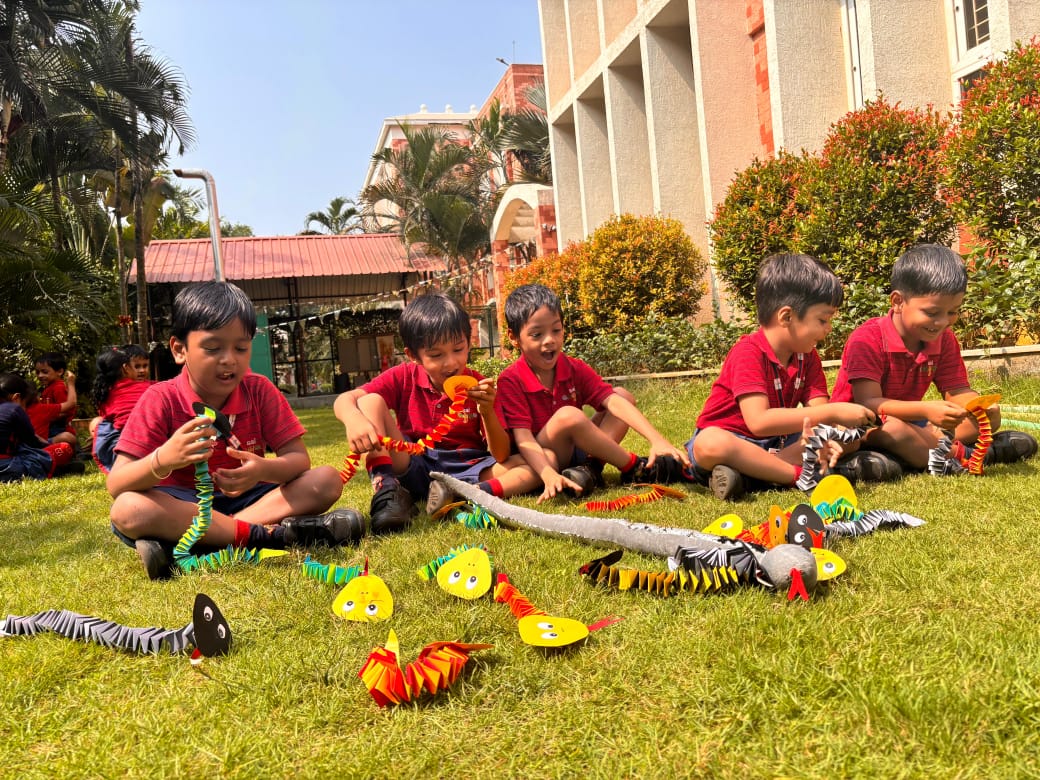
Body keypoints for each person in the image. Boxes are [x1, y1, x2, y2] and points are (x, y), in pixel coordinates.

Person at [107, 281, 363, 581]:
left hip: (251, 502)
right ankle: (271, 536)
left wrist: (263, 470)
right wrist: (164, 459)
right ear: (179, 350)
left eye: (241, 348)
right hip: (180, 507)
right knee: (129, 508)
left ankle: (206, 542)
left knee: (326, 479)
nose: (229, 358)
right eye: (213, 347)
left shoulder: (259, 390)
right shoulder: (160, 398)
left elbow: (298, 460)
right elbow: (118, 483)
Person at [334, 292, 540, 533]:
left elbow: (502, 453)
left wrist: (487, 411)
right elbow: (346, 399)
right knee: (370, 401)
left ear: (469, 342)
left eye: (458, 349)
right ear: (413, 356)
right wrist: (353, 420)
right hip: (414, 463)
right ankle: (387, 492)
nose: (451, 363)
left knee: (534, 464)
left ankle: (466, 495)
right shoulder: (403, 376)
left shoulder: (480, 385)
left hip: (467, 469)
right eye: (436, 355)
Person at [686, 254, 887, 501]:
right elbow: (759, 422)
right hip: (735, 442)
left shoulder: (807, 356)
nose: (828, 329)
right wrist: (834, 412)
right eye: (822, 319)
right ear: (787, 317)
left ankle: (755, 475)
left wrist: (823, 435)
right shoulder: (748, 352)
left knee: (846, 436)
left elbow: (819, 411)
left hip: (779, 445)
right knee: (711, 442)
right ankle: (799, 476)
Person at [830, 244, 1037, 472]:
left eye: (952, 312)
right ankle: (970, 455)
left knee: (986, 421)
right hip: (862, 427)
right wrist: (926, 410)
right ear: (898, 302)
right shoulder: (867, 339)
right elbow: (868, 404)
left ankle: (909, 457)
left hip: (916, 425)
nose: (943, 322)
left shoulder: (944, 339)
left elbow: (957, 391)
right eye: (932, 313)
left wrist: (978, 406)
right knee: (894, 430)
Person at [495, 284, 691, 502]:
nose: (549, 340)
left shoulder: (573, 368)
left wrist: (657, 439)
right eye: (537, 334)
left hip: (576, 451)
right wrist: (547, 473)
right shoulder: (511, 379)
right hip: (542, 458)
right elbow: (523, 438)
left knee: (622, 396)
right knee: (568, 416)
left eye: (556, 330)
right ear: (514, 338)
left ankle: (591, 469)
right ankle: (635, 467)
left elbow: (614, 402)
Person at [0, 372, 79, 482]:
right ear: (17, 398)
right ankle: (57, 469)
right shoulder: (14, 409)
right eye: (24, 404)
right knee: (62, 449)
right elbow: (32, 442)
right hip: (8, 467)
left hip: (10, 458)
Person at [90, 346, 153, 473]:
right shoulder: (153, 386)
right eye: (136, 366)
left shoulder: (106, 392)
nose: (141, 371)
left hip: (122, 448)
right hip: (154, 442)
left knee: (98, 422)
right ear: (126, 368)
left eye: (144, 366)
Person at [33, 352, 78, 446]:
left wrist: (46, 416)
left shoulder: (58, 387)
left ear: (60, 372)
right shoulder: (48, 387)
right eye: (38, 372)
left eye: (44, 372)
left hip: (58, 427)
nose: (40, 375)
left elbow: (66, 410)